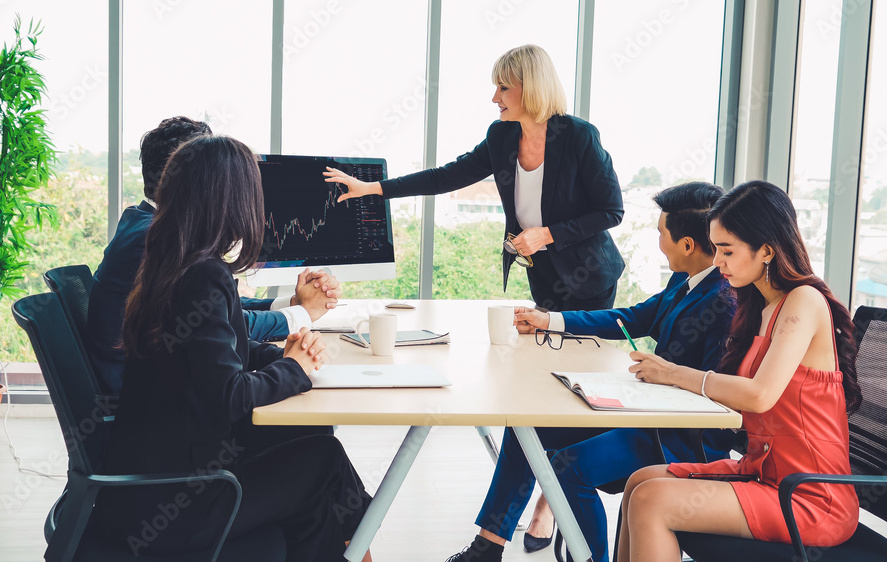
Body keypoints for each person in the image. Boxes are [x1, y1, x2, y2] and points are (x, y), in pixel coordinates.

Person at [96, 135, 371, 561]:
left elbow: (218, 355)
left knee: (312, 450)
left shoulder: (171, 261)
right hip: (176, 504)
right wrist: (294, 369)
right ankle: (365, 542)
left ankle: (354, 546)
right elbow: (228, 397)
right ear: (232, 201)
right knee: (324, 460)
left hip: (150, 487)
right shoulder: (204, 275)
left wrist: (283, 356)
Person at [444, 182, 735, 562]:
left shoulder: (724, 301)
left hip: (676, 438)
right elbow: (631, 318)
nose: (658, 243)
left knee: (571, 471)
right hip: (647, 413)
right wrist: (552, 320)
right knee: (524, 424)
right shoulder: (685, 280)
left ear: (687, 245)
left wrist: (663, 376)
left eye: (661, 234)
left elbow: (716, 392)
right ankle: (487, 548)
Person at [617, 181, 862, 562]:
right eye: (716, 249)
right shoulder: (760, 307)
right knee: (639, 481)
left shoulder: (804, 302)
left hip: (810, 496)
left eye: (726, 250)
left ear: (766, 250)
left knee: (651, 500)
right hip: (765, 473)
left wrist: (675, 373)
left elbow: (760, 394)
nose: (717, 261)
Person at [324, 44, 625, 312]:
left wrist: (547, 234)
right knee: (546, 361)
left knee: (580, 366)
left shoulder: (578, 136)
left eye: (504, 88)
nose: (495, 97)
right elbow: (446, 177)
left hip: (589, 278)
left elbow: (611, 211)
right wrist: (372, 188)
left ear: (532, 88)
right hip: (545, 277)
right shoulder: (502, 135)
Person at [86, 116, 341, 395]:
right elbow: (214, 325)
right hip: (142, 395)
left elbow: (215, 312)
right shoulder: (151, 240)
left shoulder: (146, 223)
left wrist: (290, 305)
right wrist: (301, 315)